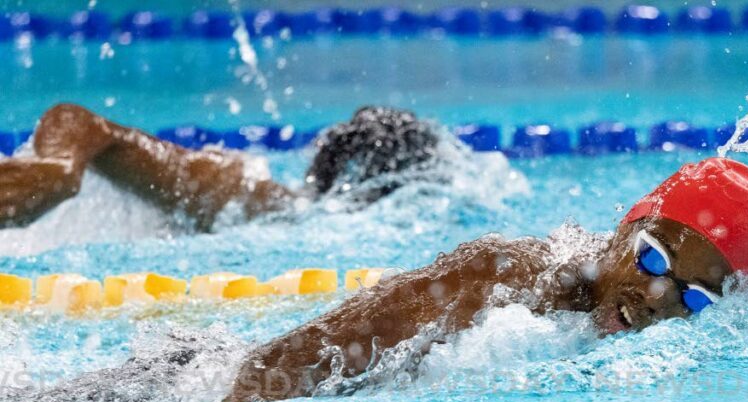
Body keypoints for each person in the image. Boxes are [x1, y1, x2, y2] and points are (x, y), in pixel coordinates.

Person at [221, 157, 748, 402]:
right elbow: (282, 369)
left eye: (696, 297)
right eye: (653, 260)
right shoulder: (504, 279)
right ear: (625, 227)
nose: (658, 296)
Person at [0, 103, 441, 230]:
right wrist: (55, 169)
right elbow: (77, 121)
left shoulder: (245, 191)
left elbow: (78, 120)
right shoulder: (249, 192)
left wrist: (56, 165)